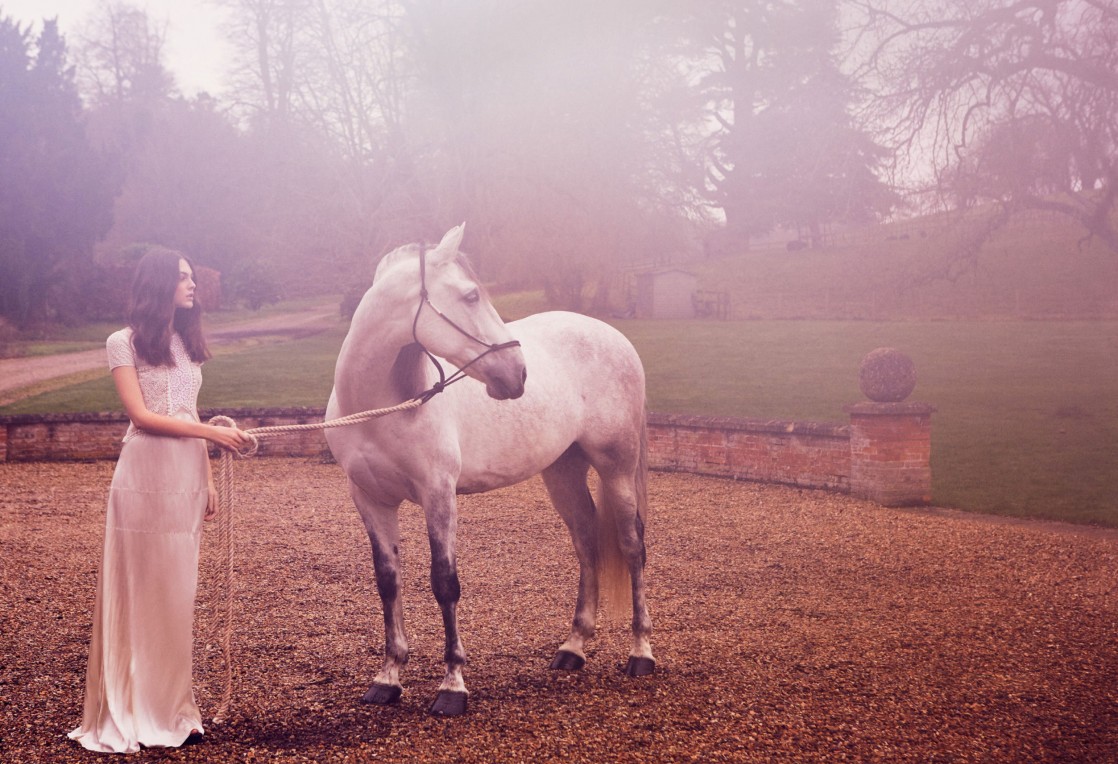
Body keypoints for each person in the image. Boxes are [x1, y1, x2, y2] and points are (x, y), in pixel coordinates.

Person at [69, 247, 251, 754]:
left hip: (186, 474)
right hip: (144, 473)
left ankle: (173, 708)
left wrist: (209, 473)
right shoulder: (121, 343)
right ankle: (131, 707)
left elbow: (188, 410)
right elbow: (144, 417)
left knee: (177, 594)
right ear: (159, 283)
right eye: (184, 277)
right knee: (140, 590)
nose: (193, 285)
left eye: (193, 277)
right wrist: (208, 435)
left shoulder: (188, 344)